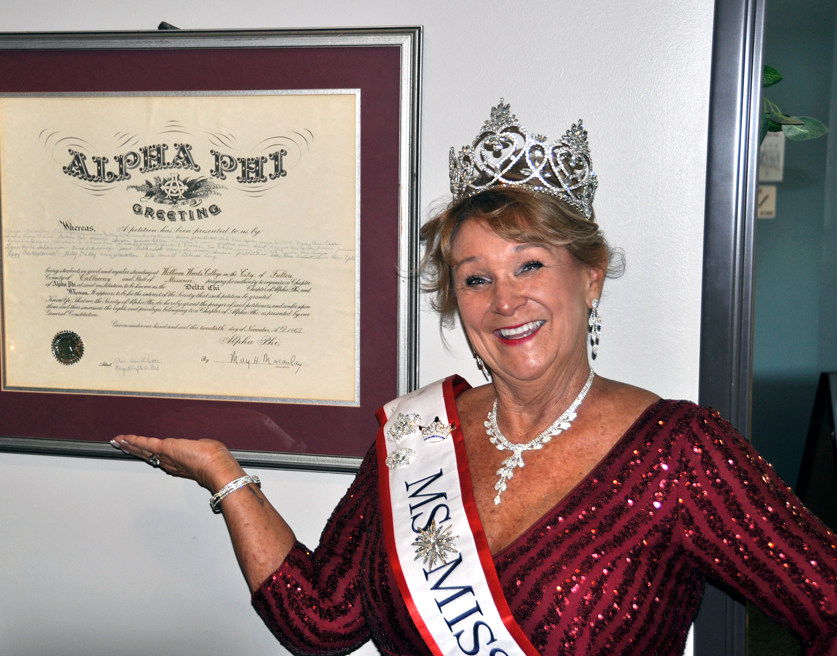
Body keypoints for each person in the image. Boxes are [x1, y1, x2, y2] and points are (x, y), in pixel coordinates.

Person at [112, 101, 837, 655]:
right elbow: (320, 622)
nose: (505, 301)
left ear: (590, 279)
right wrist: (223, 474)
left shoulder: (681, 450)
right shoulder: (419, 437)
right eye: (475, 278)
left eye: (530, 265)